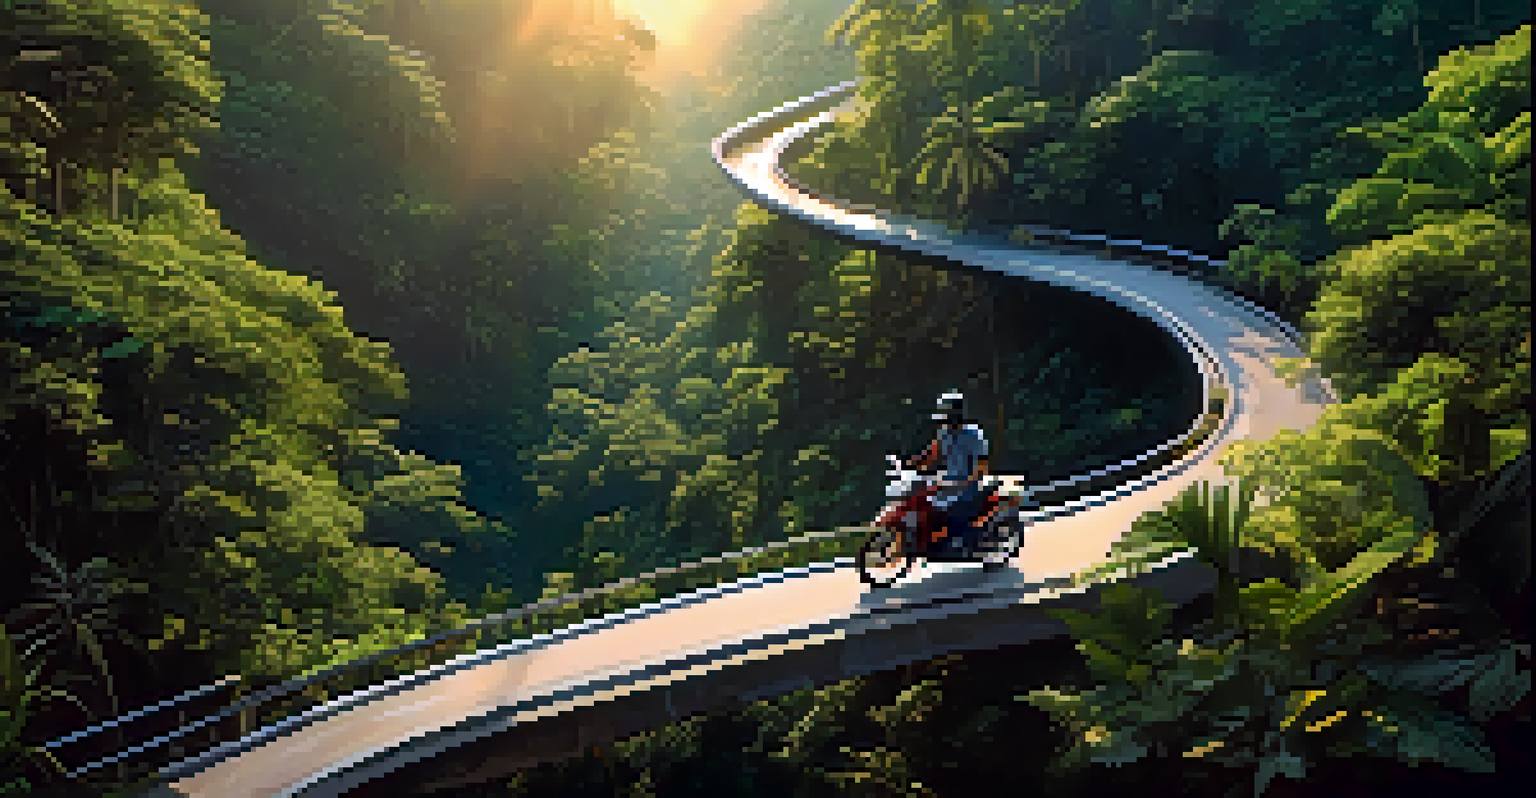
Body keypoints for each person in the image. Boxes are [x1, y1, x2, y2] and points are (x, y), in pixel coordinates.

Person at [905, 391, 991, 553]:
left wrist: (965, 482)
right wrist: (911, 464)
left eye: (946, 416)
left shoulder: (973, 434)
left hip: (969, 483)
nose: (944, 421)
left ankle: (964, 543)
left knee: (956, 509)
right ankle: (931, 539)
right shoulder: (943, 433)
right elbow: (932, 454)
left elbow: (981, 465)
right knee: (924, 501)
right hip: (948, 481)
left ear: (956, 415)